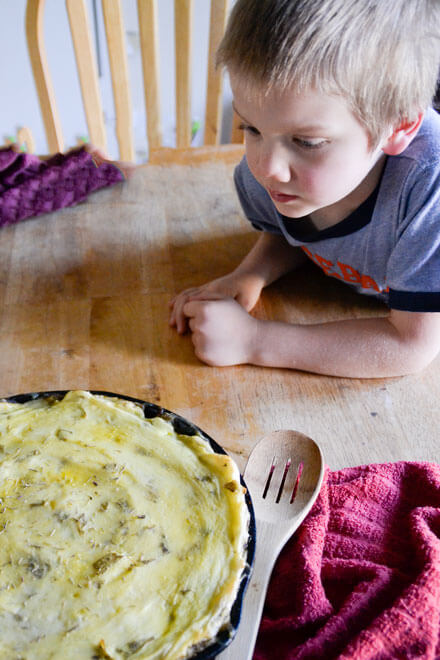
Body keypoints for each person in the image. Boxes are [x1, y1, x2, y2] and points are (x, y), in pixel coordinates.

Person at [169, 0, 440, 378]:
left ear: (399, 128)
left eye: (307, 142)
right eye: (251, 129)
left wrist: (254, 340)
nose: (267, 168)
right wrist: (252, 273)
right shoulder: (265, 178)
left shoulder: (430, 193)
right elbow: (296, 236)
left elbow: (412, 345)